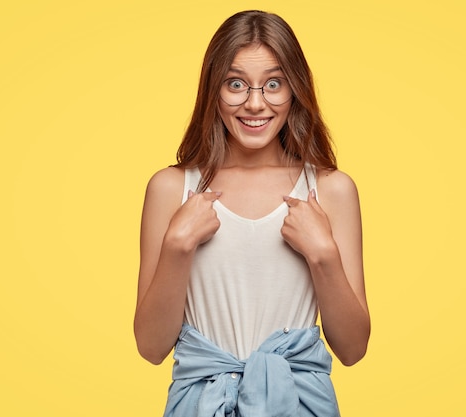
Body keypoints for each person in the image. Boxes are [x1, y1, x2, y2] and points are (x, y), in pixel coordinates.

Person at [134, 10, 370, 417]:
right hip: (200, 405)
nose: (255, 103)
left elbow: (352, 349)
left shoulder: (331, 190)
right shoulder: (172, 189)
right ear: (214, 89)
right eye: (236, 84)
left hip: (299, 406)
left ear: (295, 89)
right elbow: (151, 347)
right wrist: (177, 245)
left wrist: (323, 254)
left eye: (274, 84)